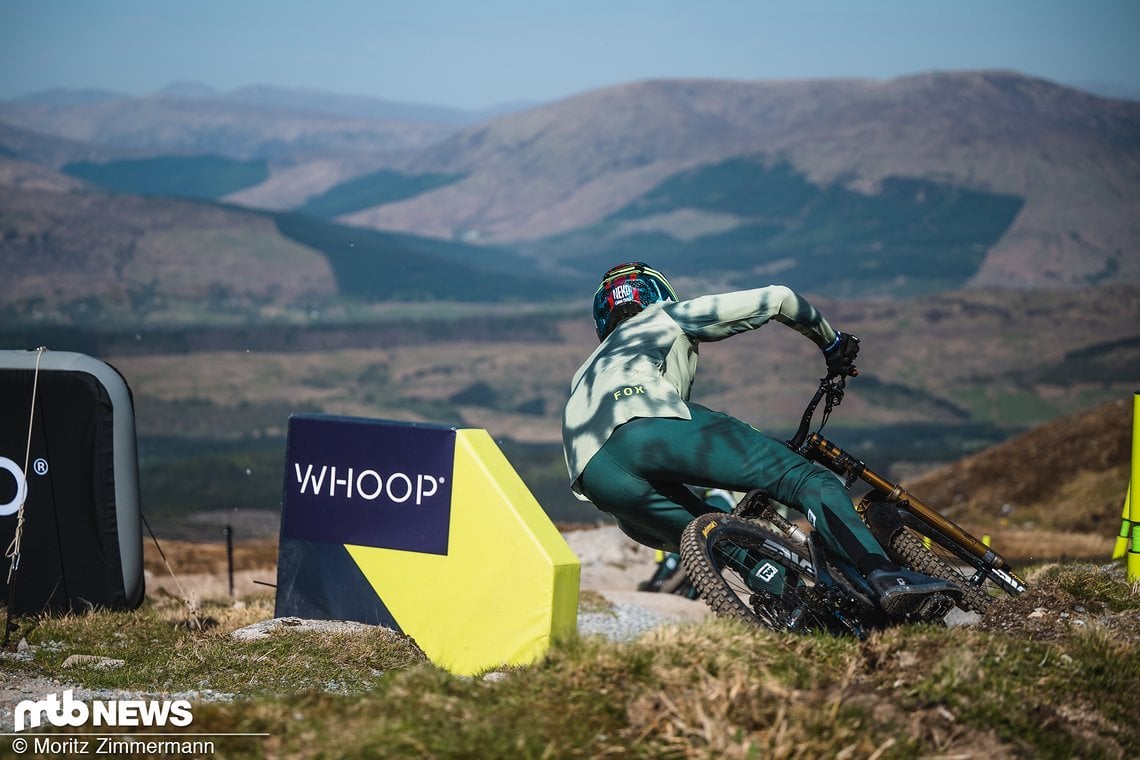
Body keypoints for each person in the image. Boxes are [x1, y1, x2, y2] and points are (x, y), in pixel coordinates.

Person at [561, 261, 960, 615]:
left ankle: (801, 612)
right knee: (807, 479)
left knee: (724, 542)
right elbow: (779, 299)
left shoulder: (584, 371)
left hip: (594, 474)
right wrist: (832, 343)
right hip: (649, 423)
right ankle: (886, 575)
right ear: (658, 294)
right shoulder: (665, 316)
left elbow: (642, 527)